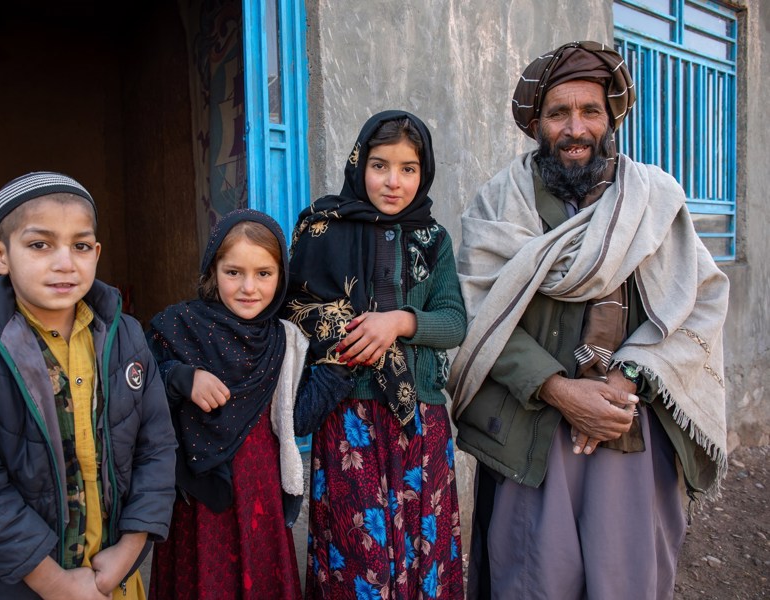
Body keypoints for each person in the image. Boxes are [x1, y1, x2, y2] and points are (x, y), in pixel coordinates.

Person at [448, 41, 730, 599]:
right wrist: (557, 389)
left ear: (610, 118)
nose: (576, 129)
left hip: (630, 427)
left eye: (590, 111)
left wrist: (628, 377)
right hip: (531, 430)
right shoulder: (498, 206)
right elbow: (476, 314)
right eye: (559, 113)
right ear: (537, 124)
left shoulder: (654, 200)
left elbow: (701, 299)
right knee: (534, 578)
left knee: (625, 578)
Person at [0, 171, 177, 600]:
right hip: (20, 583)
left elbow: (156, 448)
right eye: (40, 245)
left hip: (112, 571)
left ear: (96, 252)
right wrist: (55, 584)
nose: (65, 262)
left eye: (80, 246)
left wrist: (130, 548)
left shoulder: (126, 336)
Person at [285, 110, 467, 599]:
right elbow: (294, 310)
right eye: (380, 165)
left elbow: (453, 322)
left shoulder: (434, 240)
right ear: (358, 164)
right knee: (357, 557)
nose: (393, 181)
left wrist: (400, 322)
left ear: (423, 173)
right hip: (347, 419)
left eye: (408, 168)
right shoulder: (322, 228)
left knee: (421, 549)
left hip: (419, 422)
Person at [147, 209, 306, 599]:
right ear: (212, 272)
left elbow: (298, 415)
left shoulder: (284, 341)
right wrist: (182, 379)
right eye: (233, 272)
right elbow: (140, 390)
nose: (248, 287)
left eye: (264, 274)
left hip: (260, 490)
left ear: (281, 277)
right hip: (198, 497)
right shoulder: (179, 326)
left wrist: (340, 369)